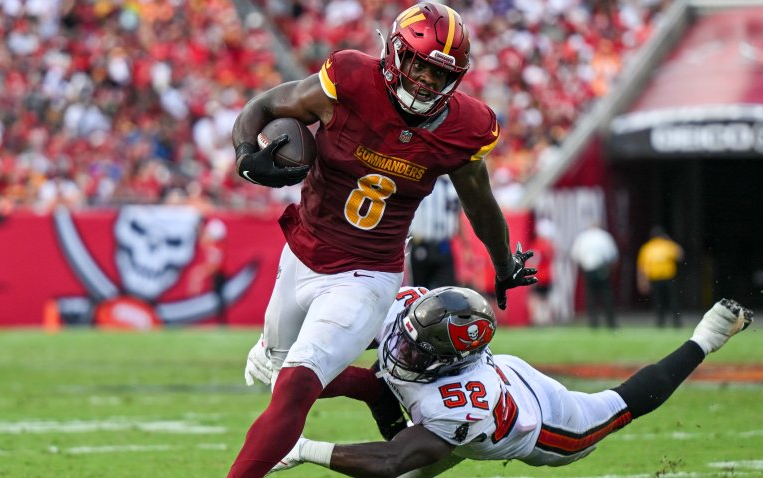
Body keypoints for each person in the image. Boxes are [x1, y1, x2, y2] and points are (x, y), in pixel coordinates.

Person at [229, 3, 538, 476]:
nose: (425, 81)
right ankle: (376, 388)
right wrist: (246, 153)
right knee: (276, 374)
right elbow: (265, 105)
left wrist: (502, 263)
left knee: (294, 389)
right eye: (417, 64)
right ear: (395, 53)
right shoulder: (349, 79)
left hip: (366, 273)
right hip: (303, 252)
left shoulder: (466, 128)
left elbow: (480, 203)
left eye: (439, 74)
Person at [260, 286, 753, 477]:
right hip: (491, 384)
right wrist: (283, 362)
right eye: (409, 338)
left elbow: (391, 459)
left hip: (546, 427)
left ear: (450, 360)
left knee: (619, 405)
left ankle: (705, 339)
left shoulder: (459, 401)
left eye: (416, 350)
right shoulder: (414, 314)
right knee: (379, 385)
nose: (398, 348)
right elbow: (347, 325)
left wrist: (305, 449)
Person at [408, 176, 461, 289]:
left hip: (444, 245)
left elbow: (457, 215)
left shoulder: (451, 185)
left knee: (448, 291)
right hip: (421, 244)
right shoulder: (417, 183)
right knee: (420, 292)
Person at [570, 223, 619, 329]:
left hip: (588, 269)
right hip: (602, 268)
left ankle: (593, 323)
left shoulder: (583, 237)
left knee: (591, 296)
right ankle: (611, 322)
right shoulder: (604, 236)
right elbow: (613, 254)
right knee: (606, 296)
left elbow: (575, 255)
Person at [637, 226, 685, 328]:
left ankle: (660, 322)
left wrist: (642, 281)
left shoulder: (647, 248)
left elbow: (642, 267)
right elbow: (680, 255)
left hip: (655, 278)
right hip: (667, 278)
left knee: (659, 302)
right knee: (672, 301)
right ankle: (676, 322)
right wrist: (670, 240)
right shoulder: (667, 245)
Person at [527, 218, 556, 325]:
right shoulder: (550, 245)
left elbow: (533, 261)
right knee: (547, 299)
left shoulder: (538, 244)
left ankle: (535, 319)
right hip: (548, 276)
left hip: (538, 276)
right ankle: (548, 319)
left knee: (534, 298)